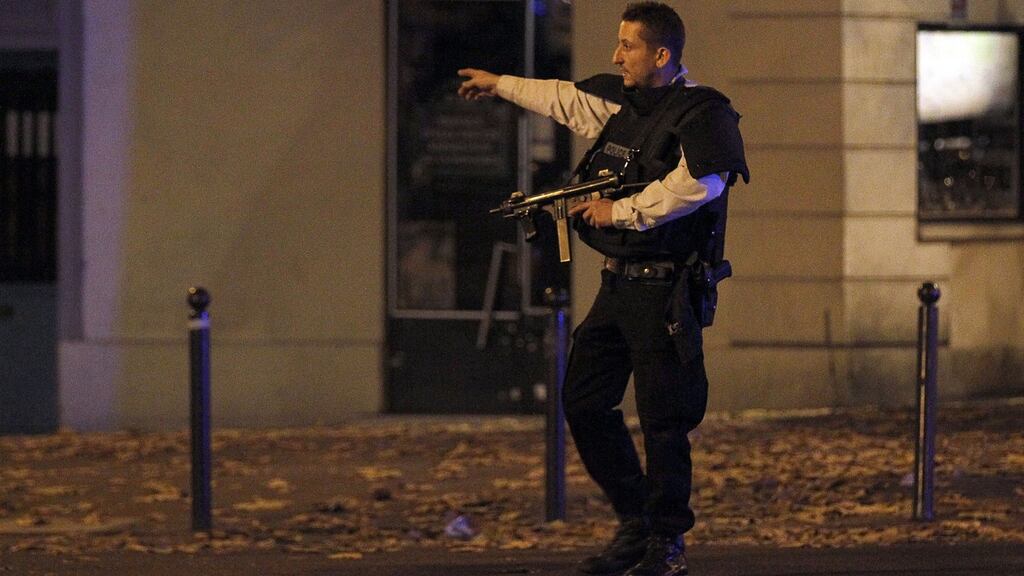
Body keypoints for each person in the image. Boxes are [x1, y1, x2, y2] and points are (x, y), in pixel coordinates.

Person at [458, 3, 748, 575]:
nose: (616, 57)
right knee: (585, 402)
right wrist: (499, 85)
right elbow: (564, 99)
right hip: (618, 287)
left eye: (628, 47)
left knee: (665, 421)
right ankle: (637, 522)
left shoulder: (701, 112)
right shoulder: (626, 106)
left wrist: (622, 212)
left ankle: (666, 543)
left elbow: (703, 183)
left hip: (666, 293)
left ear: (661, 55)